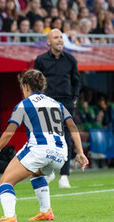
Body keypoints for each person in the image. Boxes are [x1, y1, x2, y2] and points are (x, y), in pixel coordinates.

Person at [0, 69, 88, 222]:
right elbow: (72, 126)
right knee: (37, 174)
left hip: (40, 150)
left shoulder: (24, 104)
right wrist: (80, 152)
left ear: (25, 86)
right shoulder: (57, 104)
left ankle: (9, 216)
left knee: (6, 181)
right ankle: (45, 212)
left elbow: (8, 133)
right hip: (61, 154)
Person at [34, 29, 81, 188]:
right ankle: (50, 171)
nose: (59, 40)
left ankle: (64, 176)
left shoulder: (71, 59)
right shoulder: (40, 60)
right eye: (56, 37)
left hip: (66, 103)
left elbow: (77, 82)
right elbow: (36, 82)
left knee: (66, 139)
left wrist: (74, 99)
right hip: (46, 103)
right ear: (49, 42)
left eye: (61, 37)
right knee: (48, 139)